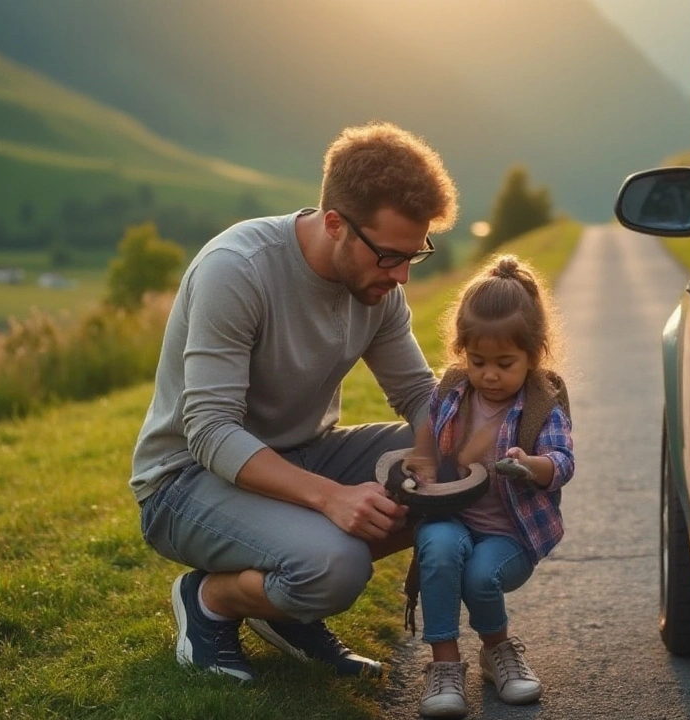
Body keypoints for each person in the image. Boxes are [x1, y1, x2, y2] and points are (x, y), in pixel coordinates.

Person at [129, 121, 459, 683]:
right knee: (336, 567)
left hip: (303, 452)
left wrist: (439, 457)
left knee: (452, 462)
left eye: (415, 255)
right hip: (185, 481)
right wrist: (330, 499)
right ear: (335, 224)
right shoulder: (237, 270)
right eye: (389, 256)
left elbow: (417, 394)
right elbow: (208, 431)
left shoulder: (378, 287)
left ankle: (285, 606)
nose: (401, 275)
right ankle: (211, 599)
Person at [400, 255, 575, 718]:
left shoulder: (542, 403)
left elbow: (561, 462)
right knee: (437, 548)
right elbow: (428, 438)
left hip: (510, 534)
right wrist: (422, 471)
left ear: (533, 355)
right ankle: (444, 665)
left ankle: (497, 651)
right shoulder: (454, 390)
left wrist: (529, 463)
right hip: (454, 517)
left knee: (481, 575)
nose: (490, 375)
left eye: (504, 363)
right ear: (463, 351)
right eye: (478, 361)